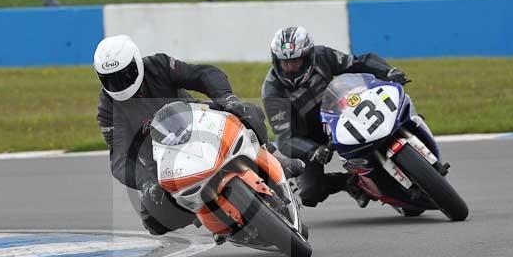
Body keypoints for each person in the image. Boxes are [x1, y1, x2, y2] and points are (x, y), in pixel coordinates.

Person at [95, 35, 304, 236]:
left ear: (136, 63)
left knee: (248, 112)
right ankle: (204, 211)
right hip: (163, 161)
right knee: (153, 220)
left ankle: (274, 158)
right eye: (111, 80)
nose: (120, 84)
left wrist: (227, 99)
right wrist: (146, 183)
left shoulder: (158, 64)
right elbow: (120, 158)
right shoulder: (107, 109)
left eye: (124, 75)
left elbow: (203, 74)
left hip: (197, 122)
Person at [262, 26, 409, 208]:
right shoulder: (272, 91)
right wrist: (311, 150)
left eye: (296, 61)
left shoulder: (323, 55)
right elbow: (285, 139)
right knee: (309, 193)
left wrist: (388, 71)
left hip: (342, 114)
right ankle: (350, 182)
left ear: (308, 57)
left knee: (383, 119)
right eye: (285, 63)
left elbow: (358, 62)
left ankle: (408, 131)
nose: (290, 68)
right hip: (310, 137)